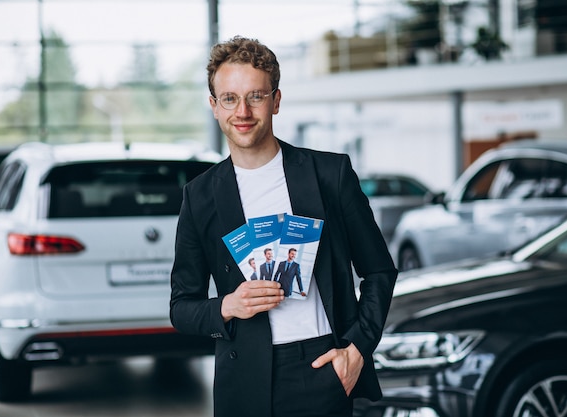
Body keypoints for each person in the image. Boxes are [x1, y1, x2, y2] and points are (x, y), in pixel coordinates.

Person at [170, 35, 397, 417]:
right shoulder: (200, 196)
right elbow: (181, 307)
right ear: (214, 106)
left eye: (255, 96)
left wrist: (357, 349)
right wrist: (228, 305)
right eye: (229, 98)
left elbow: (378, 270)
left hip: (323, 364)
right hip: (242, 375)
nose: (242, 110)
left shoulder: (330, 174)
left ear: (275, 100)